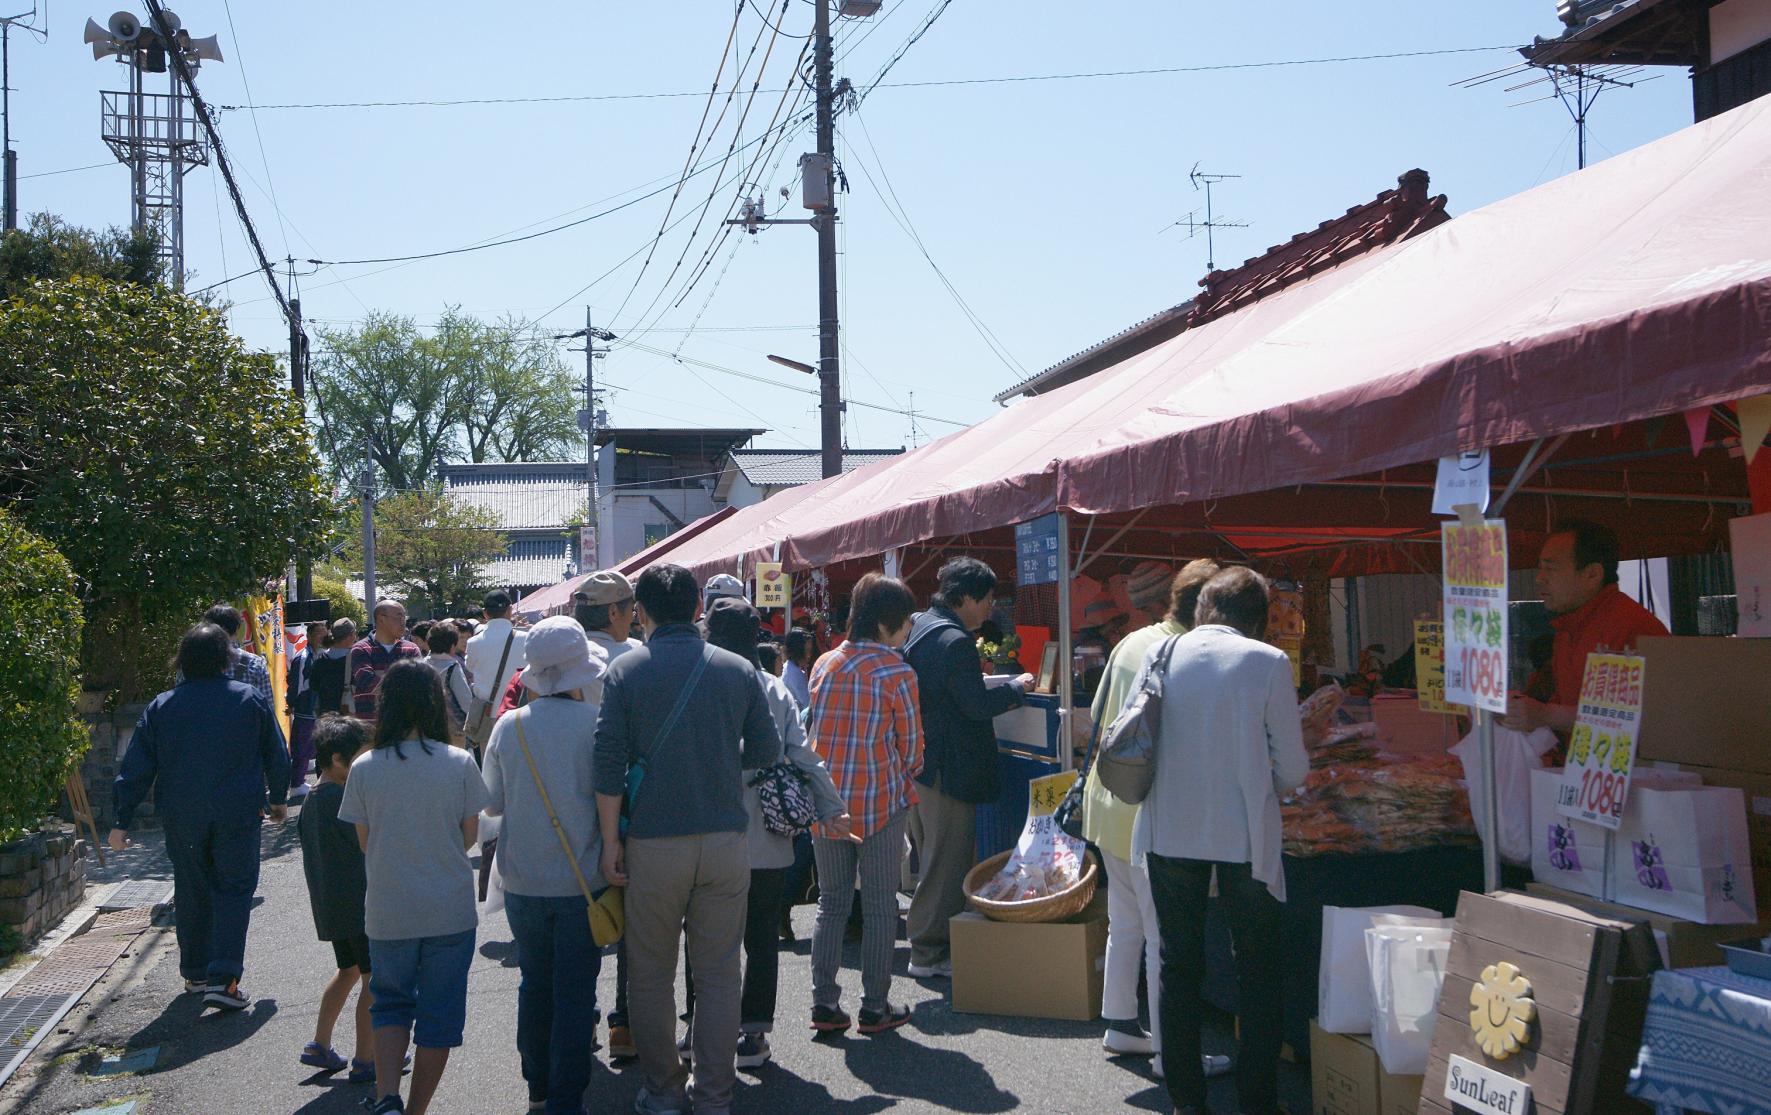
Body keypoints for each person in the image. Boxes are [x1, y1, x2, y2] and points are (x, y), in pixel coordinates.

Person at [593, 564, 781, 1115]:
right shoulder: (738, 669)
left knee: (651, 975)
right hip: (725, 839)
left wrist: (610, 843)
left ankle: (665, 1092)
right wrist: (723, 763)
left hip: (653, 842)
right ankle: (715, 1096)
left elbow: (607, 766)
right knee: (720, 973)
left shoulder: (625, 672)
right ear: (699, 608)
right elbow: (767, 752)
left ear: (642, 612)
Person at [1137, 567, 1310, 1115]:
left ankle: (1187, 1098)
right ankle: (1257, 1099)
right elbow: (1294, 767)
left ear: (1204, 608)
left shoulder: (1162, 655)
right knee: (1258, 968)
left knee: (1178, 964)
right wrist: (1265, 779)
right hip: (1245, 835)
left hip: (1170, 827)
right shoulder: (1267, 663)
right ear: (1258, 618)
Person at [1079, 560, 1230, 1080]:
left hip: (1108, 803)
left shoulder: (1131, 642)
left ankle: (1120, 1022)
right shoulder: (1188, 653)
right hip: (1149, 810)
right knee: (1164, 939)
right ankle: (1174, 1055)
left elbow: (1098, 718)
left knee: (1126, 924)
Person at [696, 597, 853, 1070]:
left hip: (702, 832)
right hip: (765, 831)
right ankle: (753, 1035)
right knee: (760, 937)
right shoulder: (772, 688)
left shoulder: (693, 683)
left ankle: (696, 1029)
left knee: (702, 937)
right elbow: (804, 756)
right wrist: (830, 807)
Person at [110, 622, 290, 1010]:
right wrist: (278, 797)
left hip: (181, 814)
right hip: (237, 811)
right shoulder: (247, 698)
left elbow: (137, 766)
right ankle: (223, 979)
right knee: (233, 887)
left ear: (182, 661)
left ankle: (195, 972)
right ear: (226, 659)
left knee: (191, 888)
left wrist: (121, 820)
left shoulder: (163, 705)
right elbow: (275, 751)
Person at [338, 660, 490, 1115]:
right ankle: (416, 1110)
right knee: (439, 1018)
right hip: (449, 908)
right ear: (434, 704)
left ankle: (387, 1097)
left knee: (390, 1005)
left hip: (388, 909)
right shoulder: (459, 762)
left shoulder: (365, 767)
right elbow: (469, 837)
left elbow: (364, 842)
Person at [482, 616, 609, 1115]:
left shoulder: (508, 727)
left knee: (535, 983)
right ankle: (566, 1096)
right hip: (584, 879)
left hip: (523, 880)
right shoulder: (596, 725)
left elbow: (490, 805)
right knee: (576, 991)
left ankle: (536, 1087)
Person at [805, 572, 924, 1036]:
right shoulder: (897, 670)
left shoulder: (824, 664)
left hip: (827, 803)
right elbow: (912, 749)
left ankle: (824, 1003)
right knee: (878, 907)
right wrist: (902, 771)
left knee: (831, 904)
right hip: (880, 802)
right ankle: (875, 1006)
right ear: (889, 622)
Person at [901, 557, 1030, 979]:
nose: (991, 607)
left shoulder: (920, 625)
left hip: (923, 764)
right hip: (948, 769)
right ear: (969, 597)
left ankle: (930, 946)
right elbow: (975, 706)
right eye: (989, 598)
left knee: (932, 858)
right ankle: (928, 952)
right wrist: (1014, 690)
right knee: (946, 862)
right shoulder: (955, 641)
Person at [571, 571, 645, 1060]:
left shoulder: (563, 662)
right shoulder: (636, 660)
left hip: (571, 807)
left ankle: (583, 1026)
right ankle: (625, 1026)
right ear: (616, 612)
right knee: (633, 925)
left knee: (583, 922)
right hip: (629, 809)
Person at [1505, 520, 1668, 739]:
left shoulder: (1630, 627)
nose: (1539, 578)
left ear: (1592, 574)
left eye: (1550, 568)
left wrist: (1546, 714)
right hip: (1576, 767)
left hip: (1630, 770)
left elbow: (1630, 718)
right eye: (1540, 568)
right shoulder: (1567, 629)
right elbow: (1564, 704)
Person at [297, 715, 379, 1082]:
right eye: (358, 759)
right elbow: (367, 846)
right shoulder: (339, 800)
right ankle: (367, 1059)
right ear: (336, 759)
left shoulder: (314, 798)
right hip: (359, 905)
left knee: (347, 972)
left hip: (331, 907)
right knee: (372, 981)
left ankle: (320, 1044)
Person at [350, 600, 424, 721]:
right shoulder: (361, 648)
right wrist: (402, 678)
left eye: (404, 617)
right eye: (398, 617)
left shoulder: (411, 648)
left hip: (404, 722)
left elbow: (418, 683)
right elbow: (366, 681)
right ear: (381, 619)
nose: (403, 622)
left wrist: (381, 676)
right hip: (371, 722)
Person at [287, 620, 331, 800]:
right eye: (318, 633)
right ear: (309, 636)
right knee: (302, 746)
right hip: (306, 707)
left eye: (324, 633)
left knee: (313, 745)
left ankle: (300, 781)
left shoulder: (321, 654)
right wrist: (292, 703)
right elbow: (296, 685)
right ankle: (296, 784)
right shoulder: (304, 657)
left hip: (317, 707)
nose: (322, 636)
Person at [466, 590, 528, 710]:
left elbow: (470, 668)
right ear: (510, 610)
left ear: (485, 613)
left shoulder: (473, 643)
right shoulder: (526, 639)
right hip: (516, 710)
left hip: (485, 713)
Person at [424, 624, 474, 743]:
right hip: (450, 726)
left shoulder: (421, 664)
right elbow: (466, 702)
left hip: (424, 724)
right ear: (452, 645)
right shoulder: (452, 667)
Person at [309, 618, 357, 719]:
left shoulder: (320, 660)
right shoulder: (356, 659)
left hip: (325, 717)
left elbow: (313, 686)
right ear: (350, 636)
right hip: (349, 717)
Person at [782, 627, 816, 708]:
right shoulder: (794, 673)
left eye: (810, 651)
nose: (809, 655)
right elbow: (807, 703)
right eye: (806, 651)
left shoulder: (791, 667)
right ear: (798, 650)